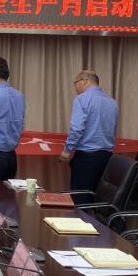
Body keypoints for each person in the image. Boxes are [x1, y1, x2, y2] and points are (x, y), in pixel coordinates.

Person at [59, 70, 118, 198]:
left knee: (80, 199)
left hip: (86, 158)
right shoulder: (112, 102)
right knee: (100, 198)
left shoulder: (82, 99)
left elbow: (77, 128)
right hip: (107, 158)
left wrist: (67, 150)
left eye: (75, 83)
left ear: (84, 81)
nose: (75, 87)